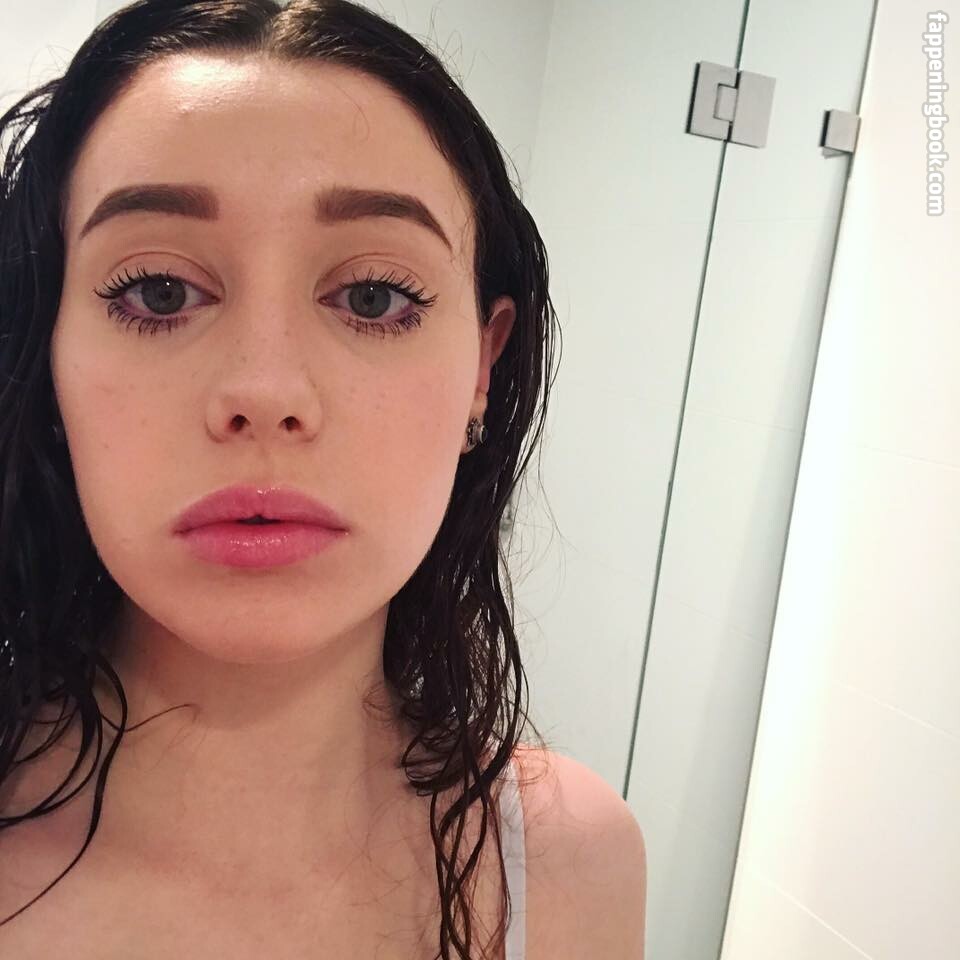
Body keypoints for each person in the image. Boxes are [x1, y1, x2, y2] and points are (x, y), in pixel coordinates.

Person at [0, 1, 646, 957]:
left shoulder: (565, 863)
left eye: (374, 298)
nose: (265, 394)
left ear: (482, 366)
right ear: (44, 353)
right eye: (157, 291)